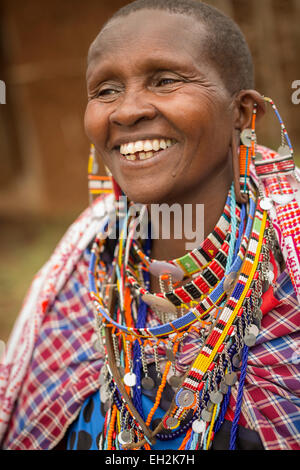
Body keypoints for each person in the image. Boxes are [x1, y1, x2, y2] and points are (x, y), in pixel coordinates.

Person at [0, 0, 299, 451]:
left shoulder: (289, 265)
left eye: (165, 80)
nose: (126, 111)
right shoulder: (85, 262)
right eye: (105, 90)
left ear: (242, 113)